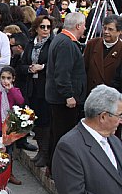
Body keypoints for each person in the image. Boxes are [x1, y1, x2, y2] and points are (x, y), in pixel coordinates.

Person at [52, 84, 122, 194]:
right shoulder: (69, 146)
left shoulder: (114, 141)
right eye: (119, 115)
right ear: (104, 116)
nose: (121, 121)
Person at [46, 12, 87, 173]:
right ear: (78, 26)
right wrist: (69, 95)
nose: (85, 28)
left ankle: (53, 167)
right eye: (83, 25)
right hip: (63, 100)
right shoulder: (66, 44)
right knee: (62, 136)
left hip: (58, 98)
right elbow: (62, 73)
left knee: (56, 134)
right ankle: (58, 170)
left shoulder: (61, 40)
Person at [19, 15, 54, 167]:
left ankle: (45, 153)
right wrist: (29, 68)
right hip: (32, 87)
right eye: (43, 27)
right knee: (36, 121)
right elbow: (21, 64)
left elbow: (54, 64)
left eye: (48, 27)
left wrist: (43, 67)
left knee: (45, 121)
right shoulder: (30, 44)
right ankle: (41, 151)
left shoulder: (52, 44)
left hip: (45, 87)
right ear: (36, 28)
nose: (45, 30)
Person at [0, 66, 24, 185]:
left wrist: (11, 90)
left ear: (13, 79)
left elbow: (20, 101)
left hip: (8, 126)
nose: (5, 81)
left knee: (8, 151)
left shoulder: (14, 91)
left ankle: (8, 174)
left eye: (8, 78)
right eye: (3, 78)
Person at [83, 15, 122, 93]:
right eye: (104, 28)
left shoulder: (120, 49)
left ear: (119, 32)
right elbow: (84, 69)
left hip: (112, 97)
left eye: (110, 29)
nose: (106, 32)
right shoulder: (92, 44)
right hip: (91, 94)